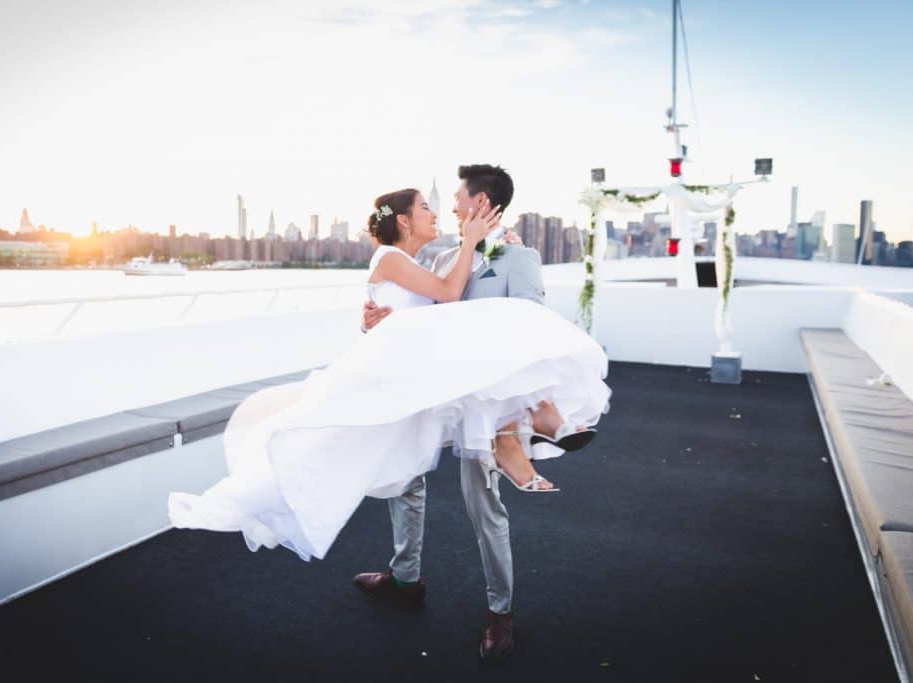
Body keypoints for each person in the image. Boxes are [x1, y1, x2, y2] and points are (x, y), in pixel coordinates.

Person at [167, 164, 611, 664]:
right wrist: (374, 318)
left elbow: (528, 324)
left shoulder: (520, 257)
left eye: (460, 199)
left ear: (482, 203)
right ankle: (405, 578)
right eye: (434, 206)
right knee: (405, 481)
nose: (450, 209)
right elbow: (425, 305)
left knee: (482, 505)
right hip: (426, 394)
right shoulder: (444, 255)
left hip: (481, 407)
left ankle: (500, 612)